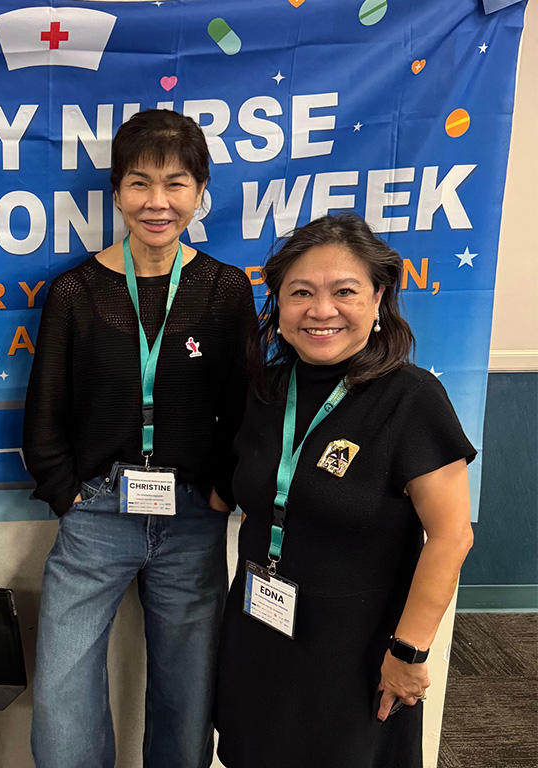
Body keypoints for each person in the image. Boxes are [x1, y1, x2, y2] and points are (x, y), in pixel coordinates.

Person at [23, 109, 256, 768]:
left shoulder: (224, 289)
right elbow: (45, 408)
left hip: (192, 519)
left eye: (176, 183)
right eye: (139, 183)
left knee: (188, 696)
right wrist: (66, 494)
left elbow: (246, 407)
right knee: (62, 698)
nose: (158, 202)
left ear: (200, 191)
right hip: (97, 511)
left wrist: (222, 493)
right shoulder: (75, 290)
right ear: (117, 192)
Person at [213, 213, 475, 768]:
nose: (321, 310)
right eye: (301, 292)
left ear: (378, 299)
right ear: (279, 303)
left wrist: (409, 652)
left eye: (345, 291)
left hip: (356, 651)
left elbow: (451, 537)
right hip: (259, 630)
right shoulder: (265, 390)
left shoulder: (411, 398)